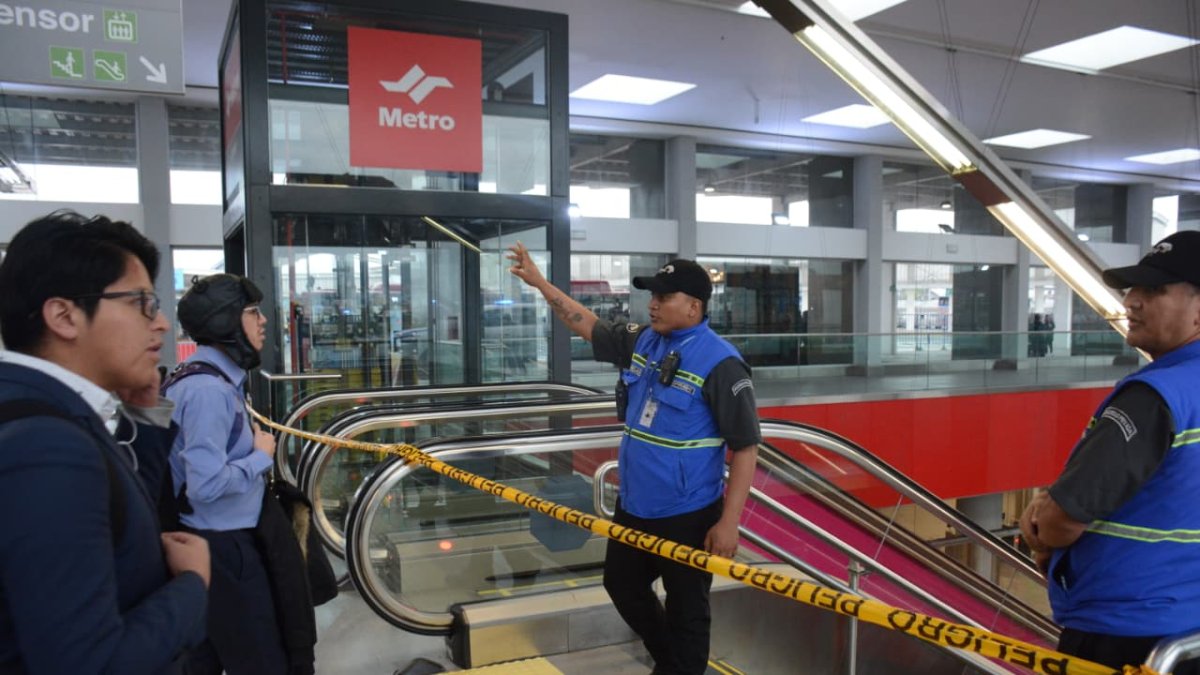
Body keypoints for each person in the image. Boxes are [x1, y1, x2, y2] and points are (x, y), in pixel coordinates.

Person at [507, 244, 760, 675]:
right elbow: (588, 325)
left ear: (694, 307)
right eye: (652, 295)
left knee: (688, 613)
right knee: (621, 584)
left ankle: (679, 666)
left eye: (664, 297)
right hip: (635, 504)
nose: (653, 304)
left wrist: (729, 522)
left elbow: (747, 447)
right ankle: (673, 664)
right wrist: (540, 282)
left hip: (688, 513)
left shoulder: (722, 364)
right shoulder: (644, 340)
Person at [0, 211, 210, 674]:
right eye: (142, 303)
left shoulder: (42, 411)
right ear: (64, 316)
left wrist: (144, 417)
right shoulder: (47, 449)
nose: (159, 324)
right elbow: (93, 664)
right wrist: (194, 583)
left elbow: (121, 521)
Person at [1019, 230, 1200, 673]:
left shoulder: (1156, 396)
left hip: (1125, 631)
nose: (1131, 301)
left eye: (1153, 290)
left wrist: (1041, 526)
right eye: (1132, 289)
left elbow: (1061, 520)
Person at [164, 273, 309, 675]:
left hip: (217, 541)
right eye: (252, 312)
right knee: (262, 658)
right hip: (225, 548)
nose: (263, 321)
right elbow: (206, 485)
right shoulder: (208, 392)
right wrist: (260, 455)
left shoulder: (202, 378)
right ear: (224, 321)